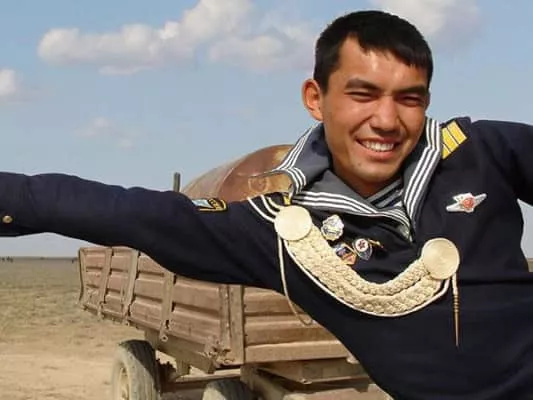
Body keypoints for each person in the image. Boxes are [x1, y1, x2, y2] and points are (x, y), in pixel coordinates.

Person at [1, 10, 533, 399]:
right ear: (315, 98)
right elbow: (127, 212)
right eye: (363, 94)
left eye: (409, 98)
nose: (388, 120)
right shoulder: (284, 234)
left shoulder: (480, 152)